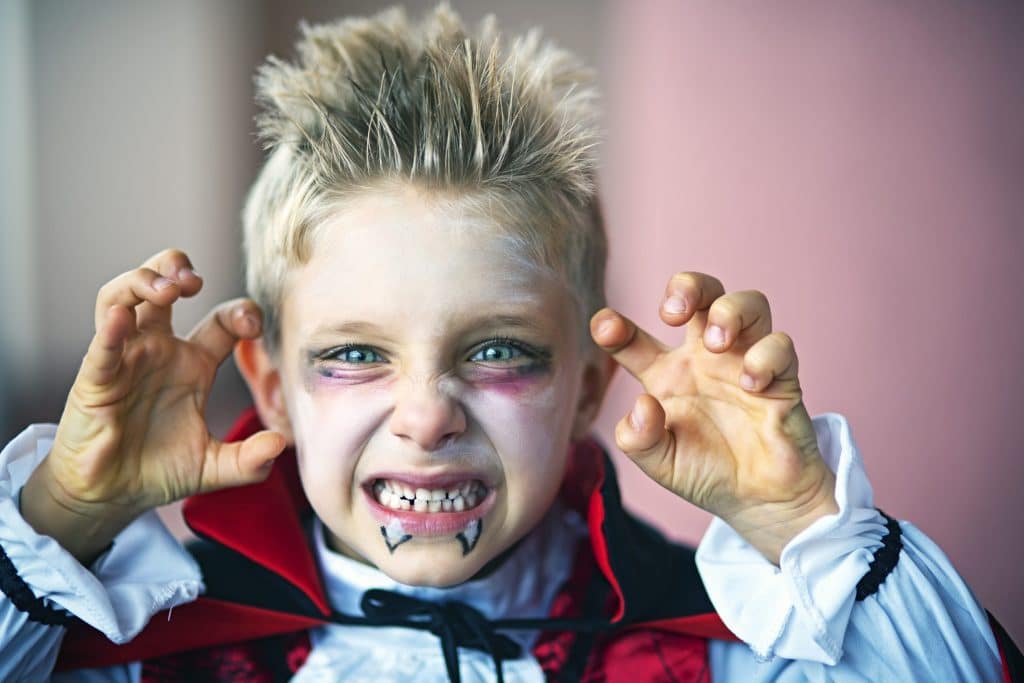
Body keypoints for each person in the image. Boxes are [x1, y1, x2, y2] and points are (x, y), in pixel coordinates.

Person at [0, 4, 1019, 681]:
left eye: (497, 351)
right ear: (268, 386)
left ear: (585, 387)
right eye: (354, 352)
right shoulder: (145, 647)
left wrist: (802, 520)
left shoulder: (720, 648)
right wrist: (64, 515)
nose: (427, 413)